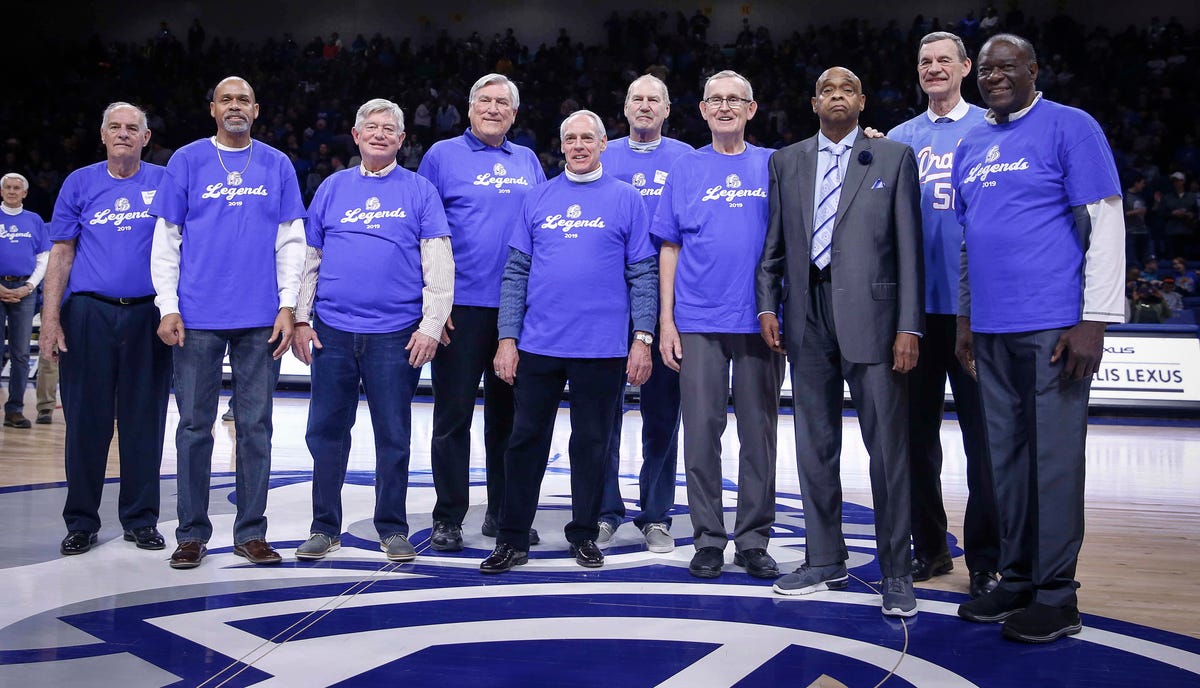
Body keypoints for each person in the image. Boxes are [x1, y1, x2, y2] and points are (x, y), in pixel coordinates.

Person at [952, 34, 1124, 643]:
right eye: (988, 69)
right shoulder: (971, 143)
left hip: (1055, 325)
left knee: (1051, 462)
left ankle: (1058, 595)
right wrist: (967, 321)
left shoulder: (1071, 126)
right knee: (1007, 464)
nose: (995, 76)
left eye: (1007, 66)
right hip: (992, 329)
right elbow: (971, 241)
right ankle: (1018, 577)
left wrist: (1094, 320)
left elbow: (1105, 219)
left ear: (1032, 69)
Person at [757, 66, 923, 617]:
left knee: (887, 452)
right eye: (827, 90)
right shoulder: (787, 161)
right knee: (814, 447)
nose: (836, 96)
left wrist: (909, 325)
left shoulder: (894, 156)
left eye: (847, 89)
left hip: (874, 319)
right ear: (813, 103)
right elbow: (774, 245)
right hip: (806, 316)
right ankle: (824, 559)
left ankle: (898, 570)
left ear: (861, 100)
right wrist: (767, 303)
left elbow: (909, 251)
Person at [479, 110, 657, 574]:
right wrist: (507, 338)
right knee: (524, 442)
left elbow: (642, 274)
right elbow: (516, 272)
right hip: (539, 344)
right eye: (571, 138)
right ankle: (512, 537)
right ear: (562, 147)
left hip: (602, 347)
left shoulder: (627, 199)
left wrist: (643, 337)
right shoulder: (537, 198)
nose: (578, 145)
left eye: (587, 138)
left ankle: (584, 534)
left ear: (602, 144)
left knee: (593, 444)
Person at [150, 76, 306, 569]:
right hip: (196, 317)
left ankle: (250, 532)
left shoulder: (277, 164)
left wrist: (287, 305)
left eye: (243, 100)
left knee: (256, 428)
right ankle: (192, 533)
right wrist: (167, 305)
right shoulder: (187, 160)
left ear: (256, 110)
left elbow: (292, 242)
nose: (235, 106)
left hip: (261, 318)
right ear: (212, 107)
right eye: (226, 99)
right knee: (195, 427)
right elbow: (167, 239)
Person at [292, 98, 453, 563]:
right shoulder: (331, 188)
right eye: (372, 127)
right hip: (333, 331)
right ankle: (324, 527)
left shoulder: (420, 191)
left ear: (402, 141)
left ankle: (392, 527)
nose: (380, 134)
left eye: (390, 129)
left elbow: (438, 263)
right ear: (357, 136)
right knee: (325, 431)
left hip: (395, 334)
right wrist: (302, 317)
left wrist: (431, 324)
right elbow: (310, 260)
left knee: (394, 433)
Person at [654, 70, 785, 580]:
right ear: (703, 111)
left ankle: (753, 539)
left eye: (736, 100)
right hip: (698, 320)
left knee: (760, 435)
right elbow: (670, 245)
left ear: (751, 109)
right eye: (716, 100)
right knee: (701, 433)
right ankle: (708, 537)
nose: (725, 107)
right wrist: (666, 320)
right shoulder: (685, 169)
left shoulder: (774, 165)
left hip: (760, 321)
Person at [886, 31, 1001, 599]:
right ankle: (929, 547)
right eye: (924, 61)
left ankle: (986, 558)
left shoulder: (991, 126)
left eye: (943, 61)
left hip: (977, 312)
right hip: (914, 314)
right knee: (914, 440)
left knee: (984, 443)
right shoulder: (901, 137)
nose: (933, 69)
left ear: (965, 67)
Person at [418, 74, 545, 552]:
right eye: (485, 101)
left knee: (509, 419)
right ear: (469, 110)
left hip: (516, 312)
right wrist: (432, 304)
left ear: (513, 114)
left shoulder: (528, 160)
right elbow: (422, 232)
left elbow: (540, 230)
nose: (493, 109)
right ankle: (449, 515)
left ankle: (503, 513)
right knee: (452, 417)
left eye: (502, 103)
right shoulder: (440, 156)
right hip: (459, 309)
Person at [41, 102, 172, 555]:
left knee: (144, 422)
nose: (123, 134)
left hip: (147, 316)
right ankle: (81, 521)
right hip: (88, 315)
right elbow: (61, 253)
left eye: (132, 128)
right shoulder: (80, 182)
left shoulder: (164, 181)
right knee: (85, 422)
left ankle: (140, 519)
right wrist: (51, 319)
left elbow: (181, 248)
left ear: (146, 137)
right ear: (102, 135)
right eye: (115, 127)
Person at [596, 74, 693, 553]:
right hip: (606, 302)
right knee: (602, 412)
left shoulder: (688, 159)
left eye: (655, 99)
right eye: (638, 97)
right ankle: (605, 509)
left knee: (661, 414)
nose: (646, 105)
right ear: (626, 105)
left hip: (666, 303)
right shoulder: (602, 153)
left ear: (668, 108)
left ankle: (656, 513)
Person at [0, 172, 49, 429]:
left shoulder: (34, 220)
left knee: (20, 353)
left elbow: (44, 258)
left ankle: (15, 410)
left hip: (24, 291)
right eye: (7, 187)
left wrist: (29, 286)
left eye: (16, 188)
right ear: (1, 191)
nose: (11, 191)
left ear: (25, 193)